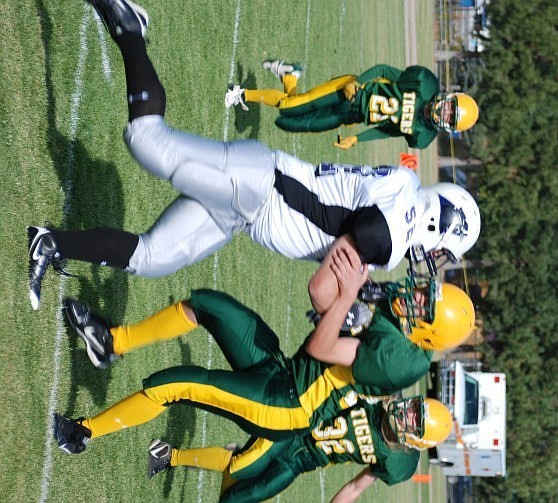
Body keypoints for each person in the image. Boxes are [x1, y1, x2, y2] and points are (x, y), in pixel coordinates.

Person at [26, 0, 481, 311]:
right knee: (147, 142)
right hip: (259, 185)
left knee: (152, 258)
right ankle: (130, 28)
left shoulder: (401, 204)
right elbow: (350, 255)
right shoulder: (397, 220)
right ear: (439, 219)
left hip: (245, 216)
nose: (434, 256)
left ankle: (48, 243)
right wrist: (354, 293)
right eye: (443, 246)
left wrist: (361, 290)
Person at [53, 244, 473, 460]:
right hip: (284, 372)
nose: (416, 296)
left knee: (174, 385)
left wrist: (348, 299)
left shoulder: (401, 359)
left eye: (425, 306)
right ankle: (113, 342)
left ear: (428, 334)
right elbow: (318, 292)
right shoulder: (401, 327)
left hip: (287, 405)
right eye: (425, 294)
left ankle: (81, 433)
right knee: (209, 306)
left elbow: (322, 345)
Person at [145, 395, 452, 502]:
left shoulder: (398, 463)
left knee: (251, 493)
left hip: (302, 461)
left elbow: (357, 486)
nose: (408, 412)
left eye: (416, 420)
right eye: (415, 407)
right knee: (242, 464)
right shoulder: (378, 394)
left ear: (416, 440)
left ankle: (173, 456)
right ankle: (168, 455)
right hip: (293, 428)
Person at [225, 60, 479, 150]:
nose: (445, 111)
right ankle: (241, 94)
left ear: (448, 126)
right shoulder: (425, 83)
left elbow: (388, 129)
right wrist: (357, 82)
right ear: (450, 97)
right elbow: (383, 70)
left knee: (298, 123)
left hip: (353, 115)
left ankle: (289, 75)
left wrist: (356, 139)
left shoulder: (423, 137)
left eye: (450, 116)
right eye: (451, 107)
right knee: (289, 109)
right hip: (350, 91)